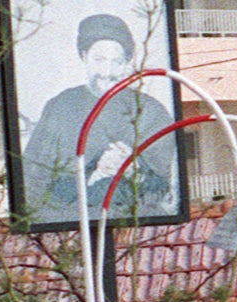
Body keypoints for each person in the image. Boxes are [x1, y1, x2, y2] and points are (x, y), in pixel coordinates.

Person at [23, 12, 172, 220]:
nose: (107, 71)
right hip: (72, 226)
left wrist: (133, 169)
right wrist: (95, 175)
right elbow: (32, 185)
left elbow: (165, 190)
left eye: (117, 61)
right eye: (99, 60)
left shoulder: (151, 111)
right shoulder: (59, 108)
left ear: (127, 63)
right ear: (84, 57)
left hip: (136, 227)